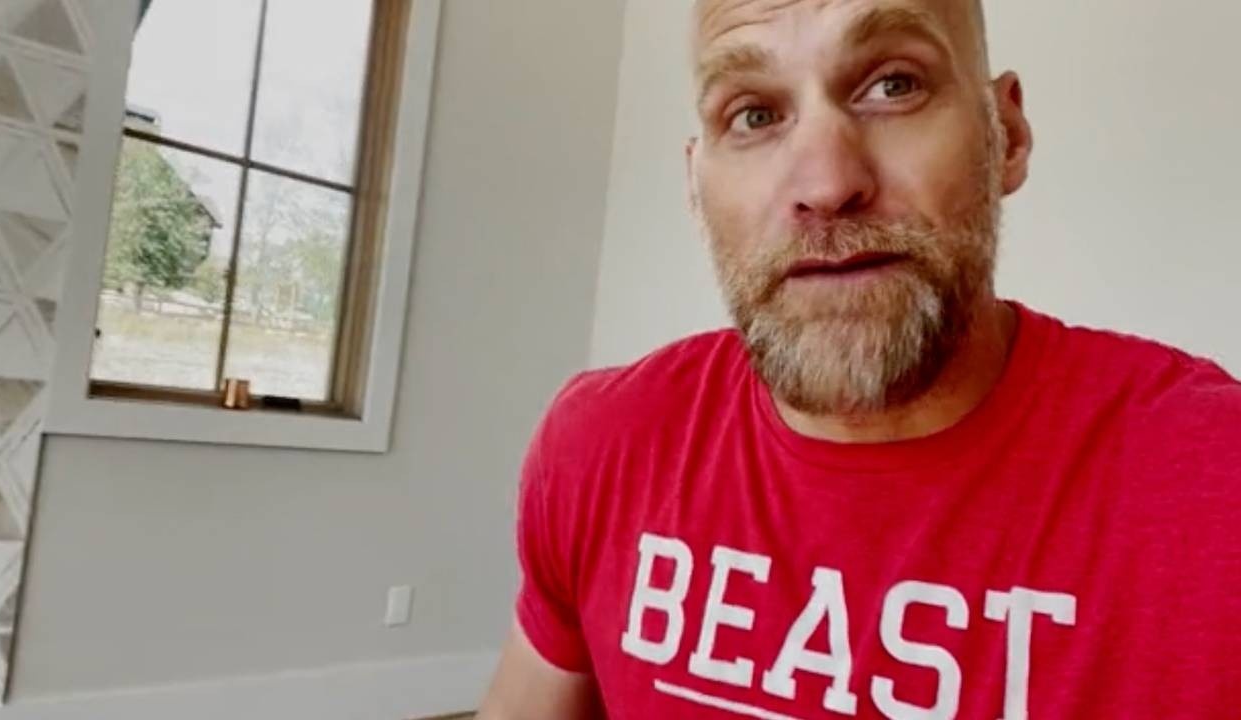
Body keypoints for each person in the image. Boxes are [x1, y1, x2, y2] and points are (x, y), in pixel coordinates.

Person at [477, 0, 1241, 717]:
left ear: (1005, 136)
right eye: (754, 114)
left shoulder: (1211, 487)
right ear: (694, 185)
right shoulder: (602, 446)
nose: (827, 184)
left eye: (894, 85)